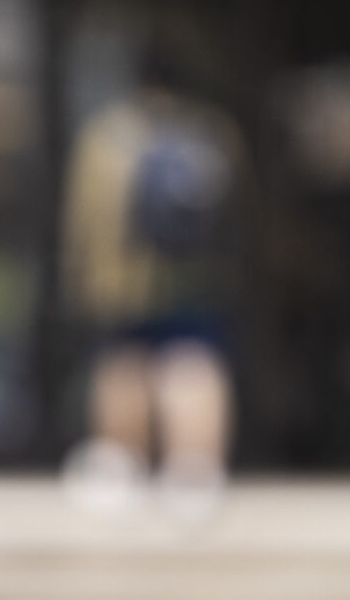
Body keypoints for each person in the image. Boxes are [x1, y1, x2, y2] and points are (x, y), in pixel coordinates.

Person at [58, 82, 240, 518]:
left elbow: (84, 219)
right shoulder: (212, 133)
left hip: (121, 281)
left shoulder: (107, 135)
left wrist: (79, 281)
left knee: (125, 365)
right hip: (196, 277)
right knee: (192, 363)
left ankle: (122, 469)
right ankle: (194, 474)